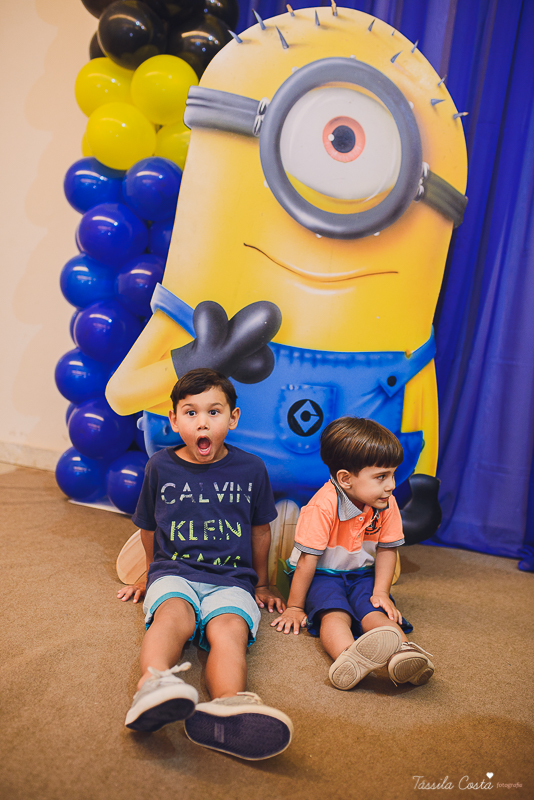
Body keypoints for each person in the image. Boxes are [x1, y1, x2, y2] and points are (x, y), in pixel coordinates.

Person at [118, 368, 293, 760]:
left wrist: (262, 584)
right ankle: (154, 683)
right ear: (174, 420)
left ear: (233, 418)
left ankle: (228, 707)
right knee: (171, 617)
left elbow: (260, 531)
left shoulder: (251, 469)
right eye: (191, 412)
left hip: (233, 580)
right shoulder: (159, 467)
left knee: (229, 632)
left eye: (214, 412)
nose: (202, 422)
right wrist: (149, 575)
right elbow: (148, 528)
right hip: (174, 574)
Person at [271, 416, 434, 691]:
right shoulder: (322, 506)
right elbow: (308, 561)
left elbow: (386, 550)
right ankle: (349, 656)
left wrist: (381, 592)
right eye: (382, 476)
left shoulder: (387, 503)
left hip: (361, 574)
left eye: (393, 474)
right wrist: (296, 606)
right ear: (345, 479)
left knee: (374, 613)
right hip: (322, 575)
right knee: (335, 615)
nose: (391, 484)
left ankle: (403, 653)